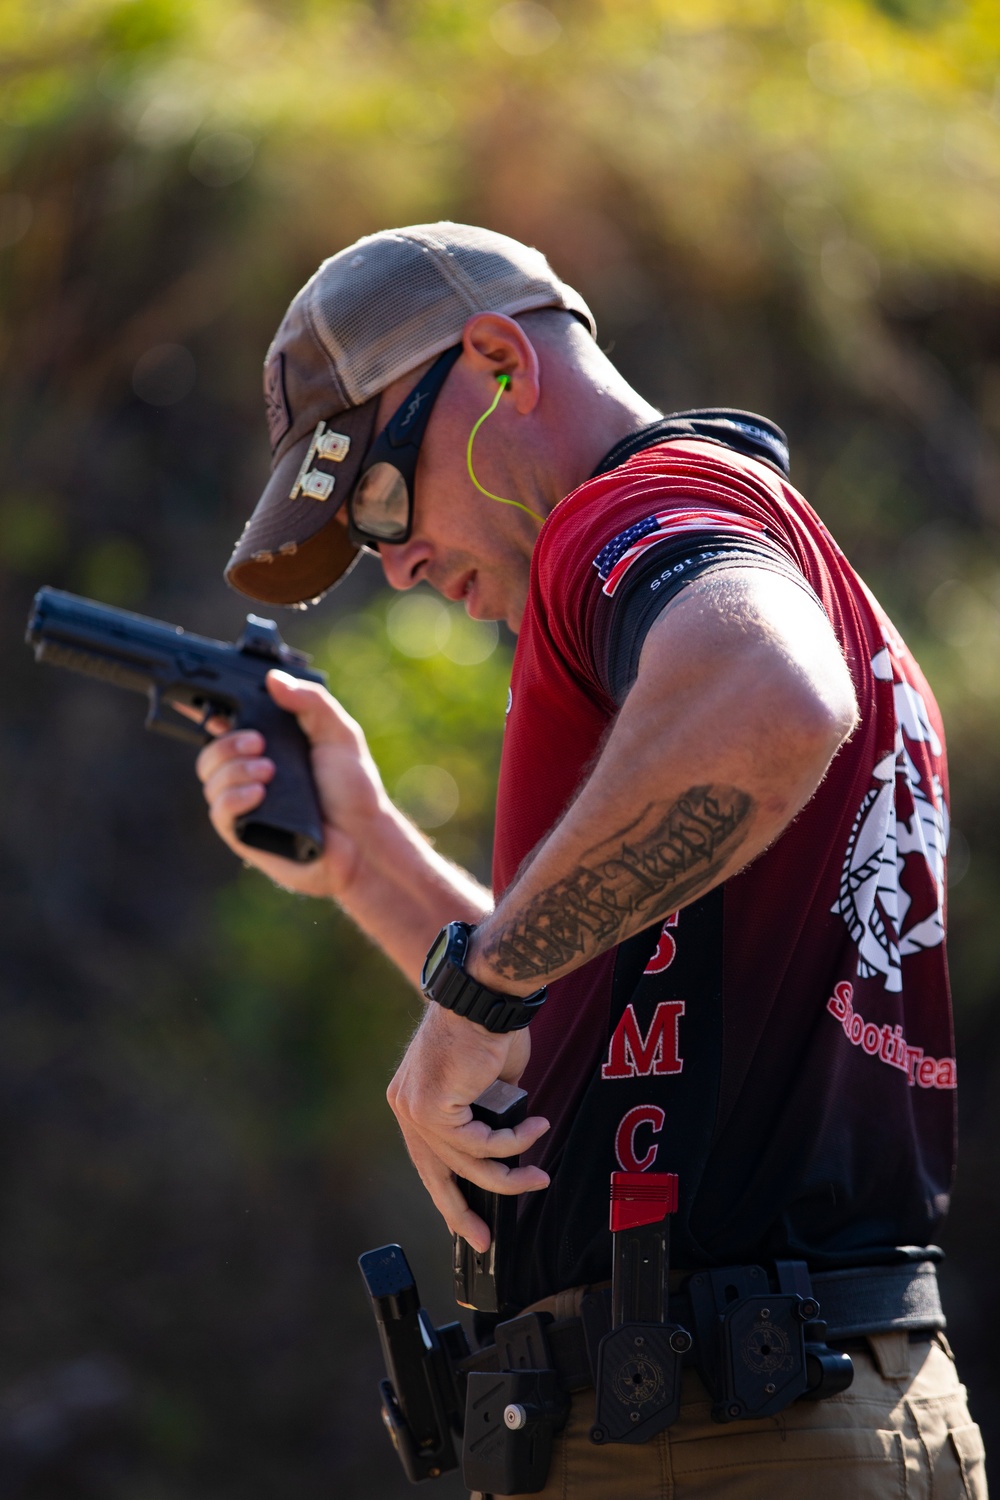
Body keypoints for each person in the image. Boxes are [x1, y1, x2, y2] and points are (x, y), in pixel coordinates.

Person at [198, 223, 986, 1498]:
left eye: (381, 497)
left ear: (500, 364)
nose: (391, 561)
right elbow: (604, 1016)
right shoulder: (761, 544)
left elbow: (767, 695)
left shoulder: (625, 513)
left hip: (725, 1431)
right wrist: (366, 859)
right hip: (796, 1403)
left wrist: (483, 987)